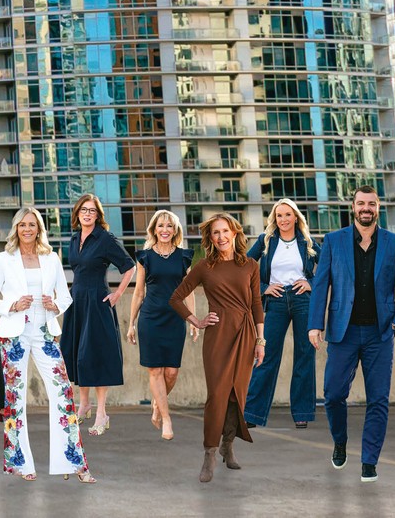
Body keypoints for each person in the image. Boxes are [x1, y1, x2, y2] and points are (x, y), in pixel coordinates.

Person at [307, 184, 395, 483]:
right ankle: (340, 441)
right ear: (352, 207)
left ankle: (369, 461)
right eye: (361, 203)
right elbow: (320, 286)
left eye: (372, 204)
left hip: (380, 334)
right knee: (332, 395)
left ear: (378, 207)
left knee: (378, 399)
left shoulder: (394, 243)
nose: (366, 208)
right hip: (343, 333)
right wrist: (315, 324)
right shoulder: (333, 241)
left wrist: (394, 324)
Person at [0, 206, 90, 483]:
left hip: (45, 331)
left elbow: (65, 296)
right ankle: (19, 463)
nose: (27, 229)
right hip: (14, 334)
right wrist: (13, 305)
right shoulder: (4, 259)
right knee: (14, 401)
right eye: (22, 225)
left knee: (63, 395)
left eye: (32, 224)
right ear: (16, 228)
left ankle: (73, 463)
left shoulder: (51, 258)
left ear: (39, 228)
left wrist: (56, 306)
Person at [170, 213, 265, 483]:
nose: (221, 237)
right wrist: (197, 321)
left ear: (234, 233)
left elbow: (257, 305)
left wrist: (260, 341)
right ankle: (209, 454)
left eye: (225, 231)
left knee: (238, 395)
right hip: (218, 336)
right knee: (218, 395)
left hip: (246, 335)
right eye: (215, 233)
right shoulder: (204, 266)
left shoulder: (251, 266)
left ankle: (229, 446)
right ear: (210, 238)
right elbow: (176, 298)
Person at [59, 193, 132, 435]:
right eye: (84, 210)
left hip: (98, 302)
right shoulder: (74, 238)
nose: (87, 213)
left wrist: (118, 294)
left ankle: (101, 413)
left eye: (92, 210)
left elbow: (129, 267)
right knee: (79, 355)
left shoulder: (105, 239)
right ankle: (84, 405)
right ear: (77, 213)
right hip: (77, 301)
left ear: (98, 215)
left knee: (96, 355)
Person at [243, 198, 315, 430]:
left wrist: (310, 282)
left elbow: (328, 265)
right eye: (279, 215)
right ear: (274, 219)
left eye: (287, 215)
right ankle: (252, 414)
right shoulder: (266, 241)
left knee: (305, 355)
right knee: (265, 355)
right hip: (275, 301)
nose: (283, 219)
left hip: (302, 300)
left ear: (296, 217)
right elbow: (244, 266)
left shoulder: (306, 242)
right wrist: (264, 288)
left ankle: (302, 412)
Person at [121, 208, 193, 439]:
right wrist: (131, 323)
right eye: (160, 225)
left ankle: (157, 405)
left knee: (171, 372)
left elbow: (189, 290)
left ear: (175, 230)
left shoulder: (184, 257)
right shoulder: (145, 257)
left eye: (169, 226)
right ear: (154, 229)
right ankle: (167, 419)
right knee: (155, 370)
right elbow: (139, 292)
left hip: (175, 319)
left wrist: (193, 319)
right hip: (150, 319)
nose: (165, 230)